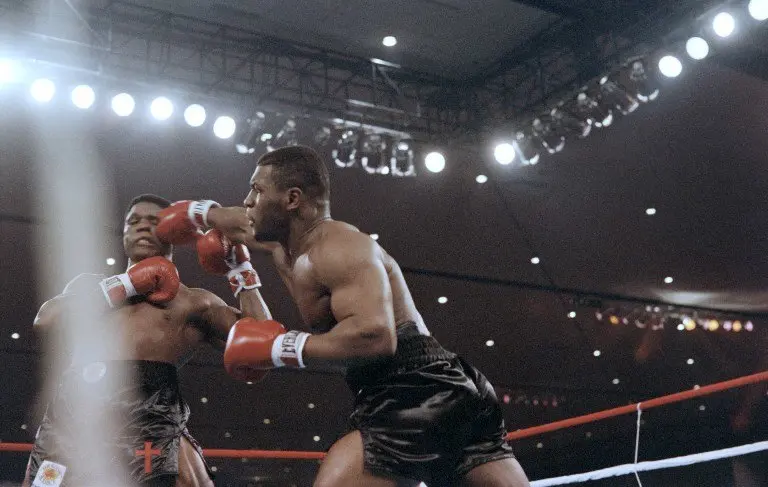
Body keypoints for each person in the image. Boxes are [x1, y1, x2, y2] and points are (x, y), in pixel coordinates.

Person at [157, 147, 531, 487]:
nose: (247, 200)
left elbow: (375, 337)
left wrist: (280, 347)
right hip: (440, 387)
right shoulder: (277, 238)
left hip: (414, 386)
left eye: (257, 190)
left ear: (291, 199)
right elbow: (230, 219)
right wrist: (195, 213)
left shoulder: (339, 247)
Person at [24, 194, 272, 487]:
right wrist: (126, 285)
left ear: (173, 233)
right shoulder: (90, 287)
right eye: (133, 221)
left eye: (154, 221)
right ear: (124, 232)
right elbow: (46, 320)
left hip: (152, 423)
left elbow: (263, 345)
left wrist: (240, 270)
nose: (142, 226)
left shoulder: (193, 303)